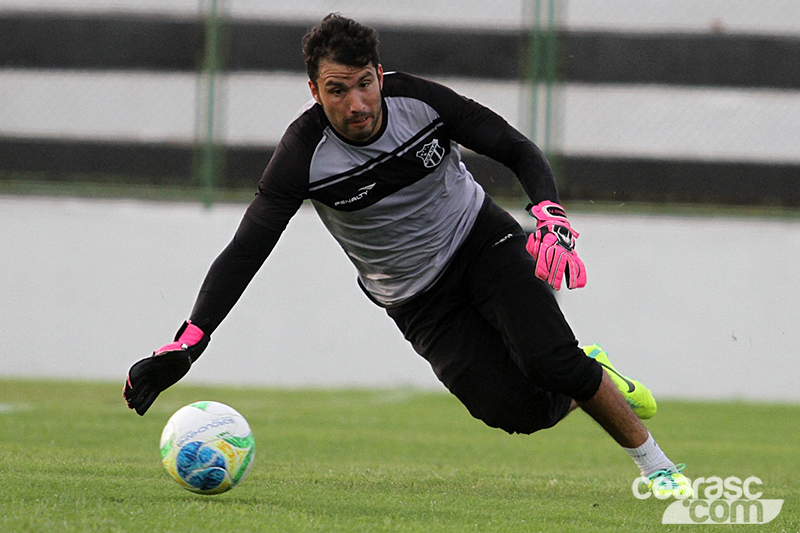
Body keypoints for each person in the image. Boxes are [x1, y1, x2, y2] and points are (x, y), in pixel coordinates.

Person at [124, 13, 691, 497]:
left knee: (553, 361)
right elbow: (247, 250)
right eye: (338, 89)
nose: (358, 103)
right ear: (314, 89)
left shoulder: (419, 101)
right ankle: (597, 373)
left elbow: (517, 148)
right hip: (415, 297)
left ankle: (660, 470)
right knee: (517, 413)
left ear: (379, 72)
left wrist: (549, 213)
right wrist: (188, 344)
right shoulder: (302, 153)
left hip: (481, 242)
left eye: (365, 83)